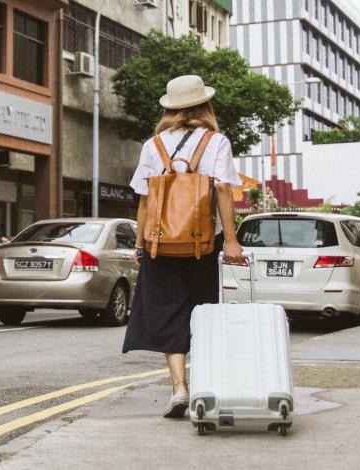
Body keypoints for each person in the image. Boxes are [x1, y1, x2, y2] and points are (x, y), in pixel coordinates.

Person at [122, 75, 244, 418]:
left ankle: (179, 387)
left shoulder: (154, 144)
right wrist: (232, 240)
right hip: (201, 243)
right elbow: (222, 190)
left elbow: (145, 199)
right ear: (205, 105)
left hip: (159, 243)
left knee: (166, 311)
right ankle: (203, 383)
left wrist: (140, 244)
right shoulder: (216, 141)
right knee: (201, 311)